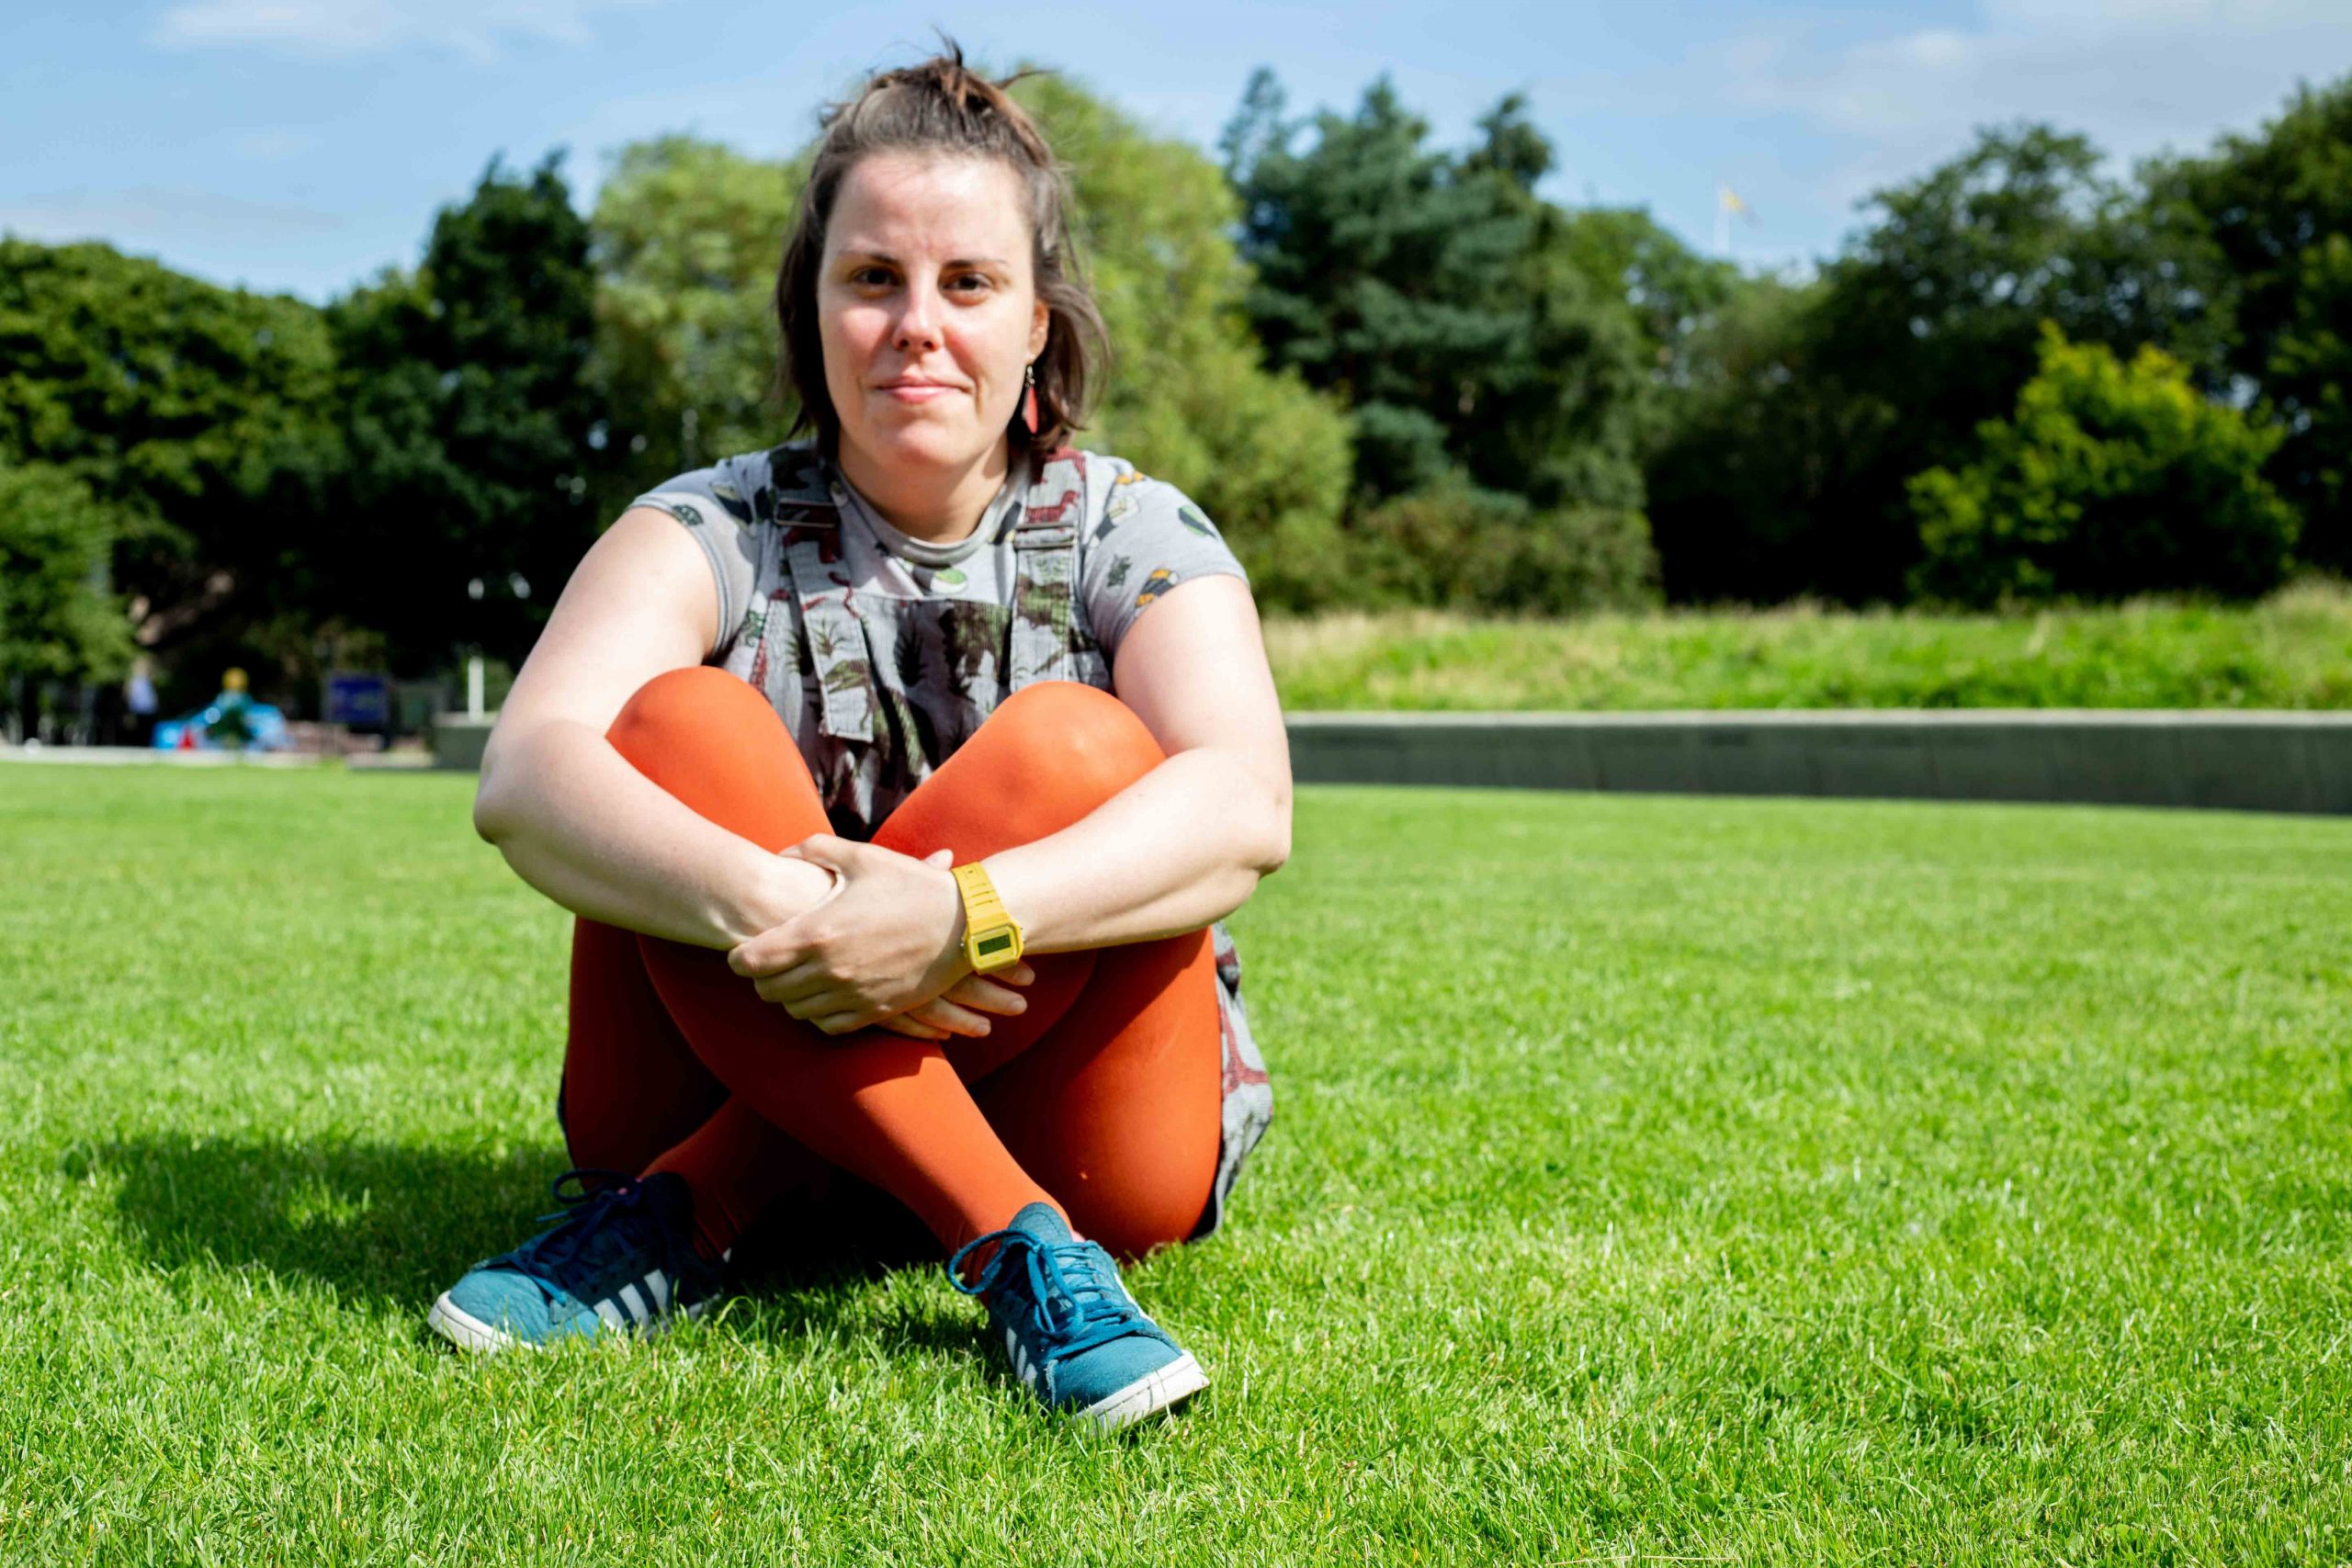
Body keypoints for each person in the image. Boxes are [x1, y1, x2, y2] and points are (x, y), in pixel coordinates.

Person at [426, 47, 1290, 1431]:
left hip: (1088, 1142)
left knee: (1081, 748)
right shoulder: (704, 525)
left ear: (1037, 329)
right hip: (697, 1064)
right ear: (813, 312)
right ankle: (1014, 1242)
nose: (916, 326)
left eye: (969, 284)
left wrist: (964, 917)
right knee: (675, 725)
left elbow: (1246, 805)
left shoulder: (1136, 527)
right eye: (872, 279)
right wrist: (804, 920)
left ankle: (709, 1198)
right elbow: (526, 775)